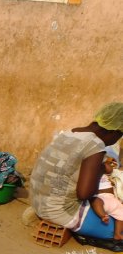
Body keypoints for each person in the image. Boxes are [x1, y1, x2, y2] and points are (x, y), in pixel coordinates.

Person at [31, 102, 123, 240]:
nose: (117, 140)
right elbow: (84, 194)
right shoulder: (95, 145)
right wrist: (100, 171)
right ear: (114, 131)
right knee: (117, 228)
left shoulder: (70, 133)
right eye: (120, 135)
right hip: (60, 212)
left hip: (38, 202)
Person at [89, 157, 123, 239]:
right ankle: (103, 215)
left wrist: (104, 163)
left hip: (112, 199)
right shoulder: (87, 172)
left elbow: (110, 170)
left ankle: (117, 234)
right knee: (96, 201)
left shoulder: (104, 170)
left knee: (121, 215)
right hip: (100, 197)